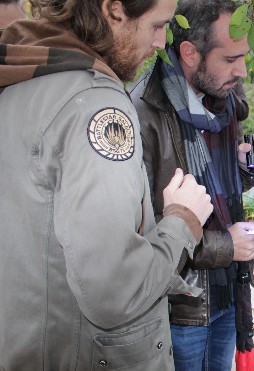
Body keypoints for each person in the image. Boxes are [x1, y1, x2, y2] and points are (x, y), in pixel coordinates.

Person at [0, 0, 215, 370]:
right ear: (114, 10)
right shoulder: (97, 107)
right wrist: (183, 221)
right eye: (156, 25)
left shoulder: (21, 81)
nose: (162, 42)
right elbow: (113, 291)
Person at [130, 1, 254, 370]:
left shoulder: (225, 98)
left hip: (227, 289)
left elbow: (213, 195)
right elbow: (143, 232)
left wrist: (249, 167)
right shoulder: (140, 114)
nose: (241, 71)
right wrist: (227, 245)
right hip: (183, 305)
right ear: (190, 53)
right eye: (229, 59)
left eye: (243, 58)